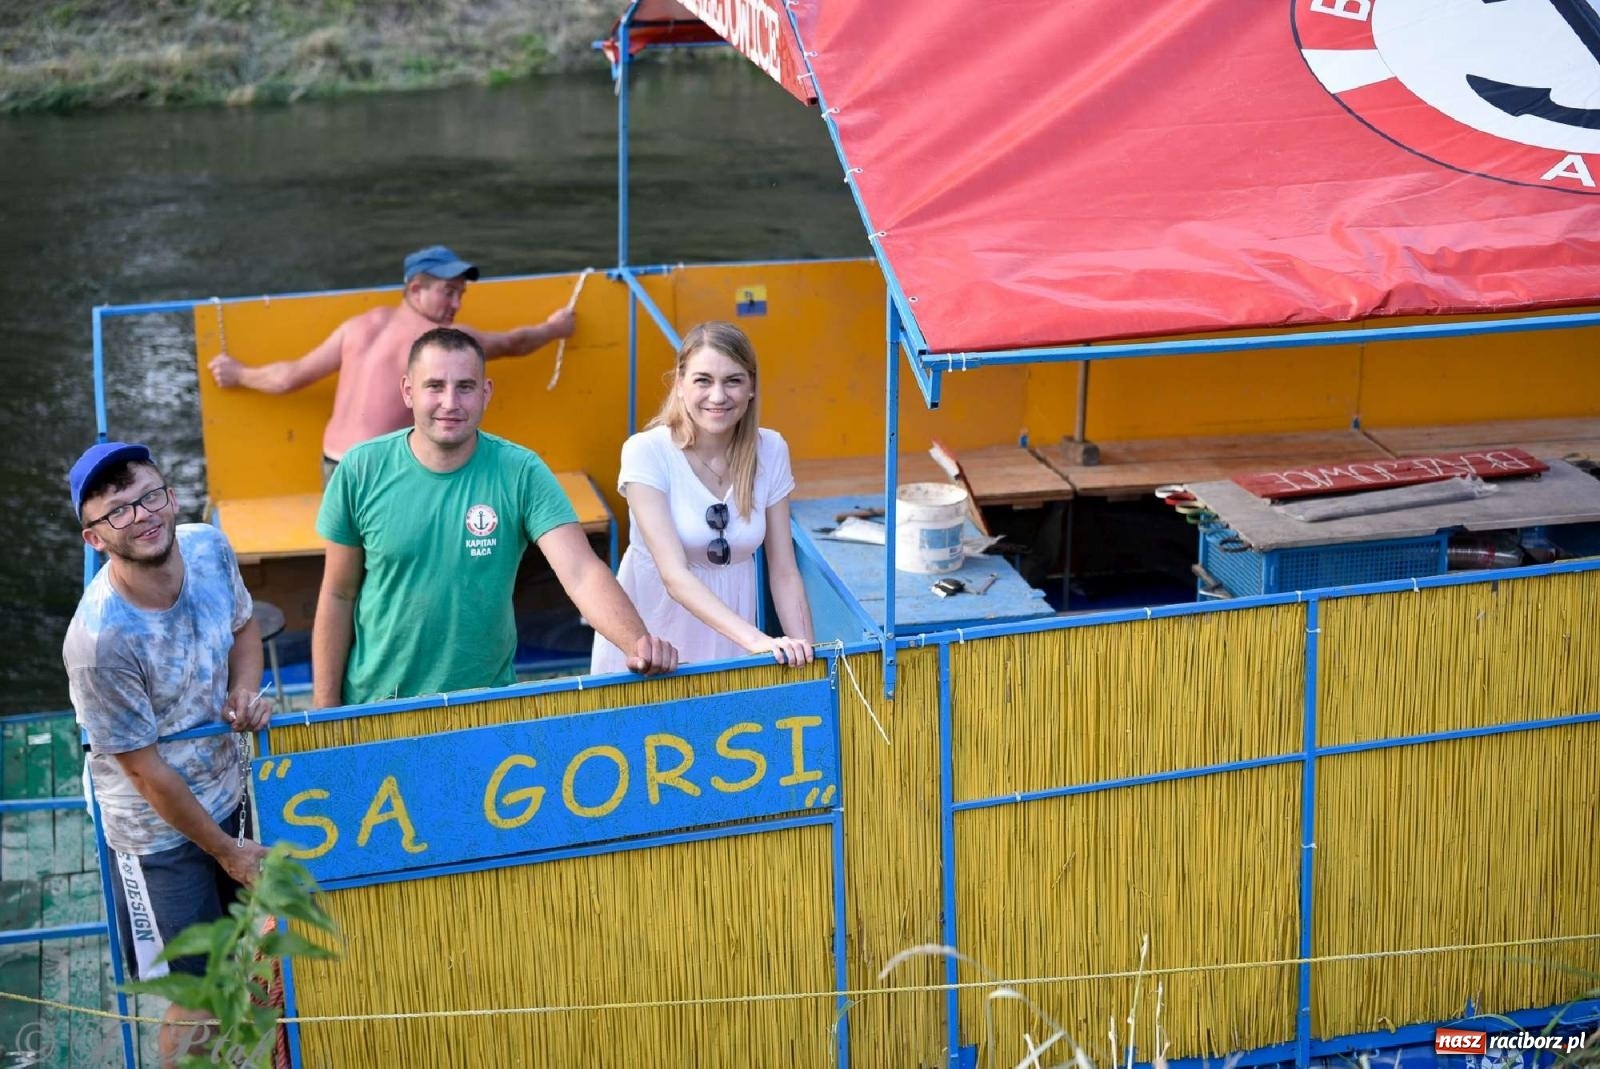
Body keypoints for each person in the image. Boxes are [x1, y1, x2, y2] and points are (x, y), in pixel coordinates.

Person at [313, 327, 678, 707]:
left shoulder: (520, 472)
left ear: (486, 392)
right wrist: (325, 711)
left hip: (484, 706)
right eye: (434, 386)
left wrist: (638, 644)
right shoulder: (361, 469)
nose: (450, 402)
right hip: (376, 705)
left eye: (465, 387)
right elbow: (338, 593)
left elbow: (581, 572)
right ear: (408, 391)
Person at [62, 442, 272, 1066]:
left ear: (172, 498)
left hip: (226, 785)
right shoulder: (99, 642)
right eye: (117, 512)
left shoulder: (208, 547)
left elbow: (243, 628)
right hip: (153, 831)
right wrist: (228, 851)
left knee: (242, 952)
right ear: (94, 539)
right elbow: (146, 773)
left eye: (148, 496)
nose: (141, 516)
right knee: (194, 993)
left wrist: (243, 689)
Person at [208, 245, 577, 481]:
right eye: (449, 292)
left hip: (333, 466)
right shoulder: (437, 344)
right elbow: (513, 343)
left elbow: (288, 377)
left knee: (351, 566)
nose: (457, 304)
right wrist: (555, 328)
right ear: (416, 289)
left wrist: (237, 373)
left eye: (461, 295)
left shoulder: (360, 325)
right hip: (378, 469)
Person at [590, 321, 814, 674]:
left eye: (733, 380)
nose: (718, 396)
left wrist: (810, 658)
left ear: (752, 387)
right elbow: (673, 575)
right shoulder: (646, 452)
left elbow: (784, 571)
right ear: (680, 384)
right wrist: (758, 641)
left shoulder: (770, 449)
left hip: (733, 636)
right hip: (656, 637)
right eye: (703, 380)